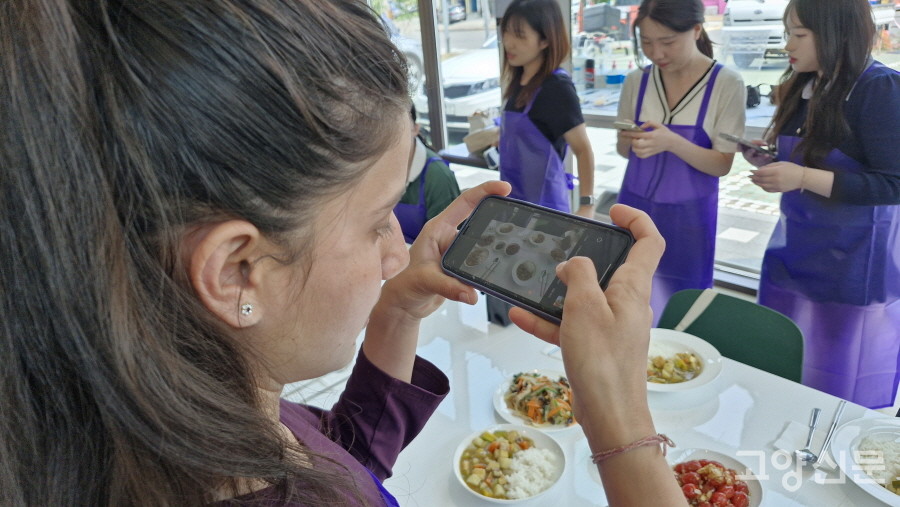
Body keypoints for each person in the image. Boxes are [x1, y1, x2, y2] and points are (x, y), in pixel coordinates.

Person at [1, 0, 686, 505]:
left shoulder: (183, 415)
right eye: (381, 219)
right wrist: (622, 420)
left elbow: (340, 456)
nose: (399, 251)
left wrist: (395, 311)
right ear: (239, 269)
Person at [742, 0, 900, 409]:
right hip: (796, 248)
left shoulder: (877, 88)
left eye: (799, 34)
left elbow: (892, 183)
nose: (788, 44)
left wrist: (801, 177)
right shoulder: (805, 84)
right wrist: (773, 159)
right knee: (784, 362)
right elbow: (808, 157)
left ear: (835, 35)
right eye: (787, 32)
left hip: (853, 260)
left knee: (837, 374)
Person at [615, 0, 746, 323]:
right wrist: (634, 141)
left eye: (668, 42)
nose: (656, 53)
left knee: (682, 312)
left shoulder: (726, 83)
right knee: (624, 300)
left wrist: (672, 143)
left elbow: (721, 164)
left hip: (689, 220)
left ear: (697, 30)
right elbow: (622, 149)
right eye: (646, 42)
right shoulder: (637, 80)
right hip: (634, 210)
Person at [498, 0, 596, 217]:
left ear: (544, 40)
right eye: (506, 32)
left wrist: (587, 205)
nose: (509, 43)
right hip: (514, 203)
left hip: (546, 208)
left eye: (519, 35)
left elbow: (583, 150)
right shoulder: (519, 81)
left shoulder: (556, 88)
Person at [395, 105, 461, 243]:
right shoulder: (373, 170)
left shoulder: (438, 176)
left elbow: (444, 245)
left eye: (397, 127)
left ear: (415, 129)